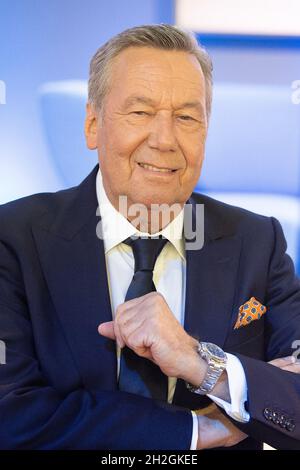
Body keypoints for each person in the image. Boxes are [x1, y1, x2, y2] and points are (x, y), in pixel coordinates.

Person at [0, 24, 299, 451]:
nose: (164, 140)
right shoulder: (13, 239)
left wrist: (202, 363)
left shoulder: (257, 242)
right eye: (140, 112)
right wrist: (196, 432)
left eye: (187, 117)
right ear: (92, 124)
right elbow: (12, 416)